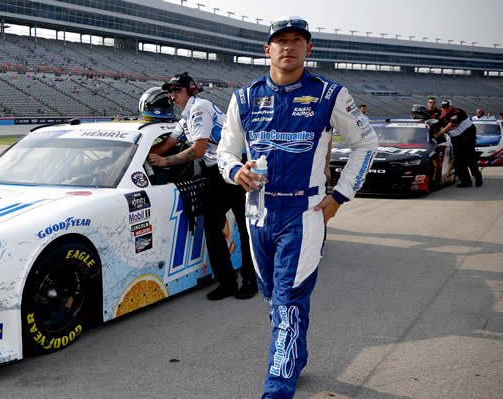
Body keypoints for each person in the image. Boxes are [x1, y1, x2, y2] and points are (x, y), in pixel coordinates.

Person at [216, 16, 378, 398]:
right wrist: (235, 169)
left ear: (308, 49)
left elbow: (365, 144)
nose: (288, 47)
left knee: (288, 302)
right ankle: (295, 356)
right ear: (267, 49)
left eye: (297, 40)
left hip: (304, 215)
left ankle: (277, 388)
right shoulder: (244, 97)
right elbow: (223, 150)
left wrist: (339, 197)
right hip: (256, 214)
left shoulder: (329, 94)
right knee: (273, 298)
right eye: (280, 41)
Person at [147, 75, 258, 301]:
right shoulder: (185, 115)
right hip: (215, 171)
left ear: (190, 90)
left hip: (238, 167)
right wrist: (143, 153)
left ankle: (251, 280)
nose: (172, 93)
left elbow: (197, 151)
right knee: (211, 226)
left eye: (177, 89)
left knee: (246, 229)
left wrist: (165, 162)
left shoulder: (200, 108)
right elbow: (168, 143)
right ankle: (227, 282)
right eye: (170, 90)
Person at [434, 99, 482, 187]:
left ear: (451, 107)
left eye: (447, 107)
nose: (445, 109)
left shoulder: (458, 112)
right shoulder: (442, 116)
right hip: (456, 139)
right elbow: (437, 124)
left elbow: (451, 125)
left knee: (470, 159)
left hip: (468, 138)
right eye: (443, 107)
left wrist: (439, 134)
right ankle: (466, 182)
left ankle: (478, 178)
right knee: (459, 161)